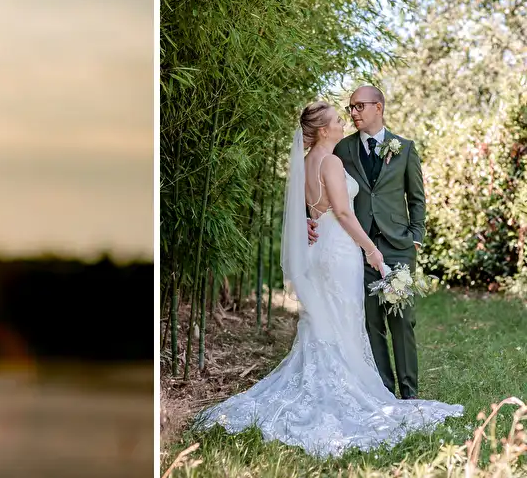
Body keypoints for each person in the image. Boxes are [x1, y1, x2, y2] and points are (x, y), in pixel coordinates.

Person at [196, 102, 461, 457]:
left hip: (320, 248)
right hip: (338, 250)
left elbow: (312, 211)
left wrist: (314, 223)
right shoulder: (332, 161)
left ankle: (322, 381)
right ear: (323, 130)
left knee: (327, 321)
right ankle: (340, 391)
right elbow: (342, 211)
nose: (343, 123)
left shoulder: (306, 164)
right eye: (337, 120)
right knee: (345, 320)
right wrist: (371, 249)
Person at [308, 86, 426, 399]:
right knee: (371, 322)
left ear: (379, 107)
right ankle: (384, 389)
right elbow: (320, 186)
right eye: (350, 108)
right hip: (357, 247)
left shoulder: (405, 147)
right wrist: (310, 218)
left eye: (360, 106)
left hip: (398, 247)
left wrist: (416, 236)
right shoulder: (341, 149)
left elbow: (416, 198)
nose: (354, 113)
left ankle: (410, 392)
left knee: (402, 319)